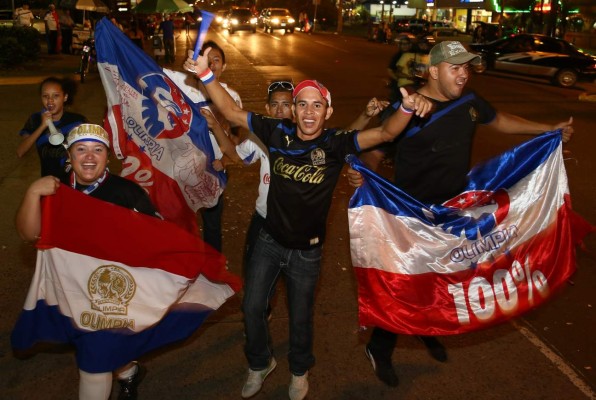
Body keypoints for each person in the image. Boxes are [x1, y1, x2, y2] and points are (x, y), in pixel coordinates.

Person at [183, 50, 433, 400]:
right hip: (269, 241)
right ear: (295, 110)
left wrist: (408, 107)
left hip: (307, 252)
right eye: (303, 105)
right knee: (253, 306)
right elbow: (229, 111)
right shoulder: (275, 132)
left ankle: (299, 371)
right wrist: (208, 76)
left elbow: (385, 134)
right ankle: (259, 362)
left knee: (301, 318)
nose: (309, 112)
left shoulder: (336, 143)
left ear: (328, 112)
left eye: (318, 105)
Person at [346, 40, 574, 388]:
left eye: (467, 67)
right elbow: (374, 148)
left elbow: (499, 120)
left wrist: (546, 129)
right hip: (412, 215)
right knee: (407, 283)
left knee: (448, 276)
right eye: (456, 68)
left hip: (456, 211)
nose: (464, 74)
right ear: (434, 71)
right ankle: (380, 347)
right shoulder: (409, 109)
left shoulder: (470, 101)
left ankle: (429, 329)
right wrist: (364, 177)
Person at [15, 123, 158, 400]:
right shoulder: (54, 188)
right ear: (69, 156)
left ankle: (121, 370)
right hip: (69, 287)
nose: (89, 156)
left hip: (111, 292)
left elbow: (157, 239)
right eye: (81, 149)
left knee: (94, 361)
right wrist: (33, 192)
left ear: (107, 156)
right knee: (96, 347)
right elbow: (28, 233)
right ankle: (129, 372)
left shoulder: (127, 193)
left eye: (98, 150)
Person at [17, 76, 87, 179]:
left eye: (56, 96)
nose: (50, 100)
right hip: (49, 183)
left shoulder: (77, 121)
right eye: (45, 96)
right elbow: (20, 152)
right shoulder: (35, 119)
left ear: (65, 97)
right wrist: (42, 126)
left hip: (75, 182)